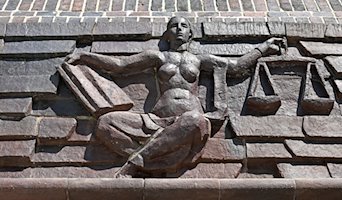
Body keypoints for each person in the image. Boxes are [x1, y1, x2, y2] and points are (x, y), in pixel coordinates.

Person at [64, 16, 284, 177]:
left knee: (195, 120)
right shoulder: (157, 57)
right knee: (105, 122)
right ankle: (158, 155)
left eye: (184, 26)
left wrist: (263, 48)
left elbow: (236, 67)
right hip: (155, 120)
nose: (179, 29)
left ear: (190, 34)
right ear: (167, 34)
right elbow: (120, 66)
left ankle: (136, 161)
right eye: (174, 26)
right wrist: (85, 56)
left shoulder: (199, 60)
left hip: (189, 121)